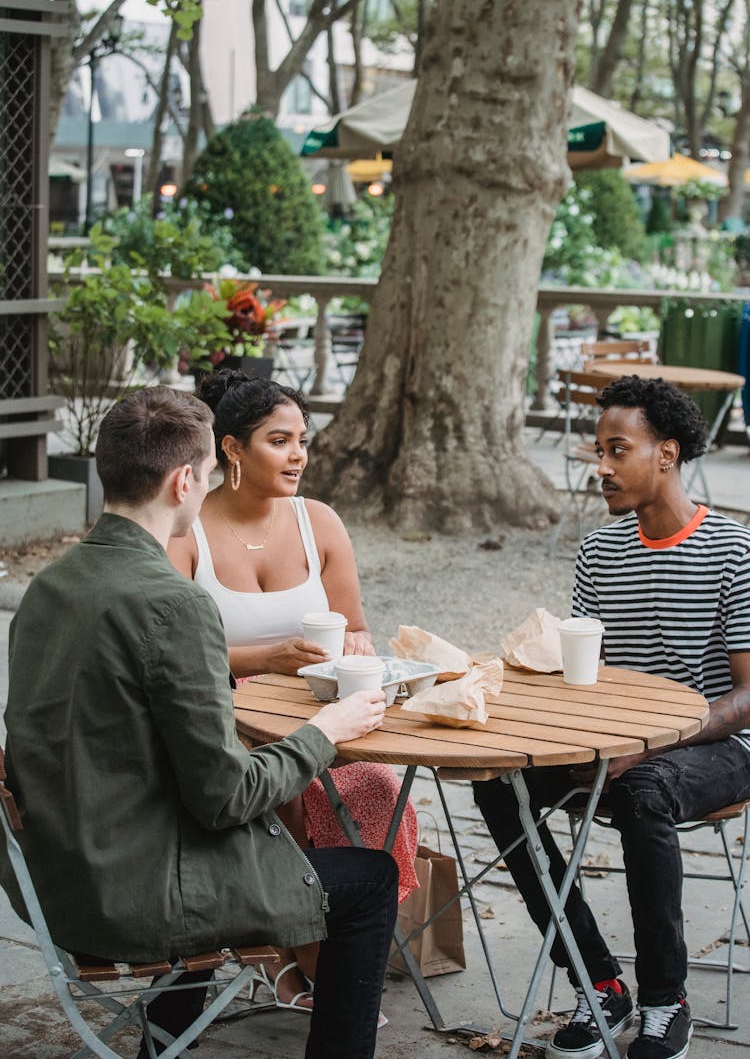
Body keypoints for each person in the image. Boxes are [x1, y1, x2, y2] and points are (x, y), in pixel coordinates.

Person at [1, 386, 398, 1059]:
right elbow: (226, 796)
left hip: (56, 881)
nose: (210, 483)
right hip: (131, 896)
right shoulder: (175, 605)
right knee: (369, 878)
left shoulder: (50, 585)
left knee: (223, 854)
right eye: (210, 469)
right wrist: (325, 728)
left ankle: (165, 1043)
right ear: (185, 480)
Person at [475, 375, 750, 1059]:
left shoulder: (734, 550)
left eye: (617, 449)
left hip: (721, 742)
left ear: (667, 453)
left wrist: (655, 740)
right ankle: (596, 976)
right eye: (598, 450)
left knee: (642, 786)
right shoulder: (600, 553)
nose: (600, 467)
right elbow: (590, 677)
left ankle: (665, 996)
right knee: (495, 780)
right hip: (619, 743)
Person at [167, 370, 418, 1009]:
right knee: (285, 795)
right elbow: (171, 656)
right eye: (280, 440)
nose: (300, 454)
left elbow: (356, 626)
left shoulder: (320, 523)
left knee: (375, 790)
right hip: (218, 715)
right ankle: (297, 962)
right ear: (231, 449)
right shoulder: (186, 533)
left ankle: (324, 954)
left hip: (315, 709)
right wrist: (268, 656)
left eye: (303, 439)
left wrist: (356, 650)